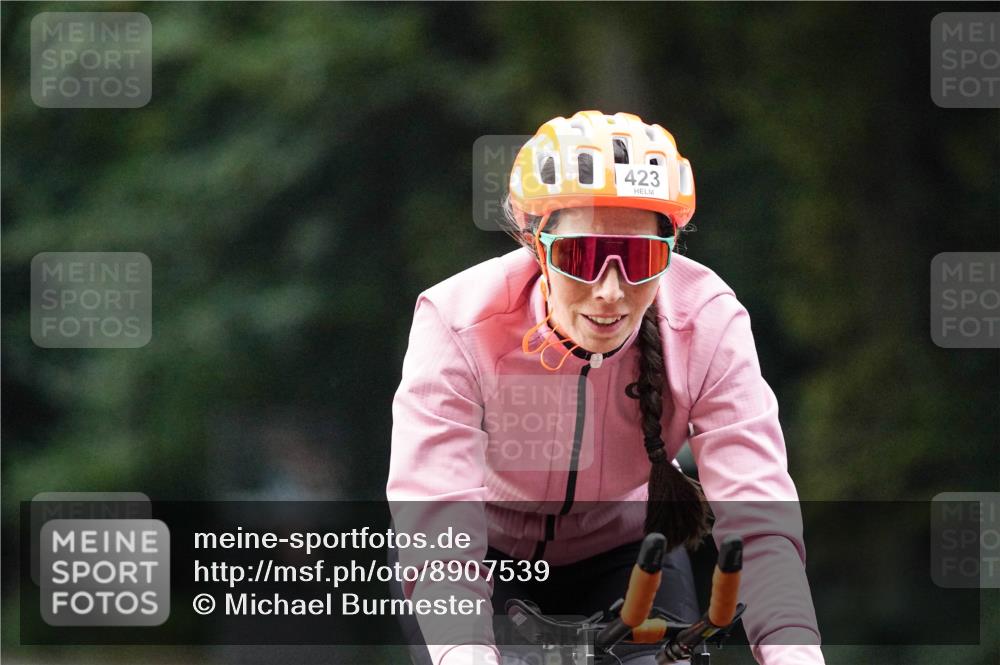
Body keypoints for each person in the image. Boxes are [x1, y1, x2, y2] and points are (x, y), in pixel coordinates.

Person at [387, 110, 824, 665]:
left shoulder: (708, 320)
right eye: (582, 256)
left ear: (671, 253)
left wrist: (796, 653)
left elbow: (761, 520)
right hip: (484, 562)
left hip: (626, 554)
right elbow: (439, 527)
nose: (611, 291)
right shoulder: (455, 321)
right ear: (536, 245)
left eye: (641, 259)